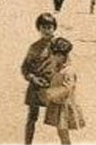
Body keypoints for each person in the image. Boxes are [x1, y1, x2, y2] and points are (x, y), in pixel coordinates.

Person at [21, 12, 58, 144]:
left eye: (50, 27)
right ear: (39, 29)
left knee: (61, 119)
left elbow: (67, 64)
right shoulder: (34, 48)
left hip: (54, 86)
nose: (47, 31)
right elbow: (25, 68)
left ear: (54, 28)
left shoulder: (59, 46)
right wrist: (33, 78)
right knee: (32, 117)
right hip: (37, 86)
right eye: (44, 27)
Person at [43, 37, 85, 144]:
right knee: (61, 131)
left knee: (63, 131)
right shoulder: (57, 67)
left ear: (62, 56)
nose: (52, 57)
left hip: (64, 106)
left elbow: (68, 88)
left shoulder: (68, 71)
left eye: (55, 55)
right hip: (57, 103)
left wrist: (52, 94)